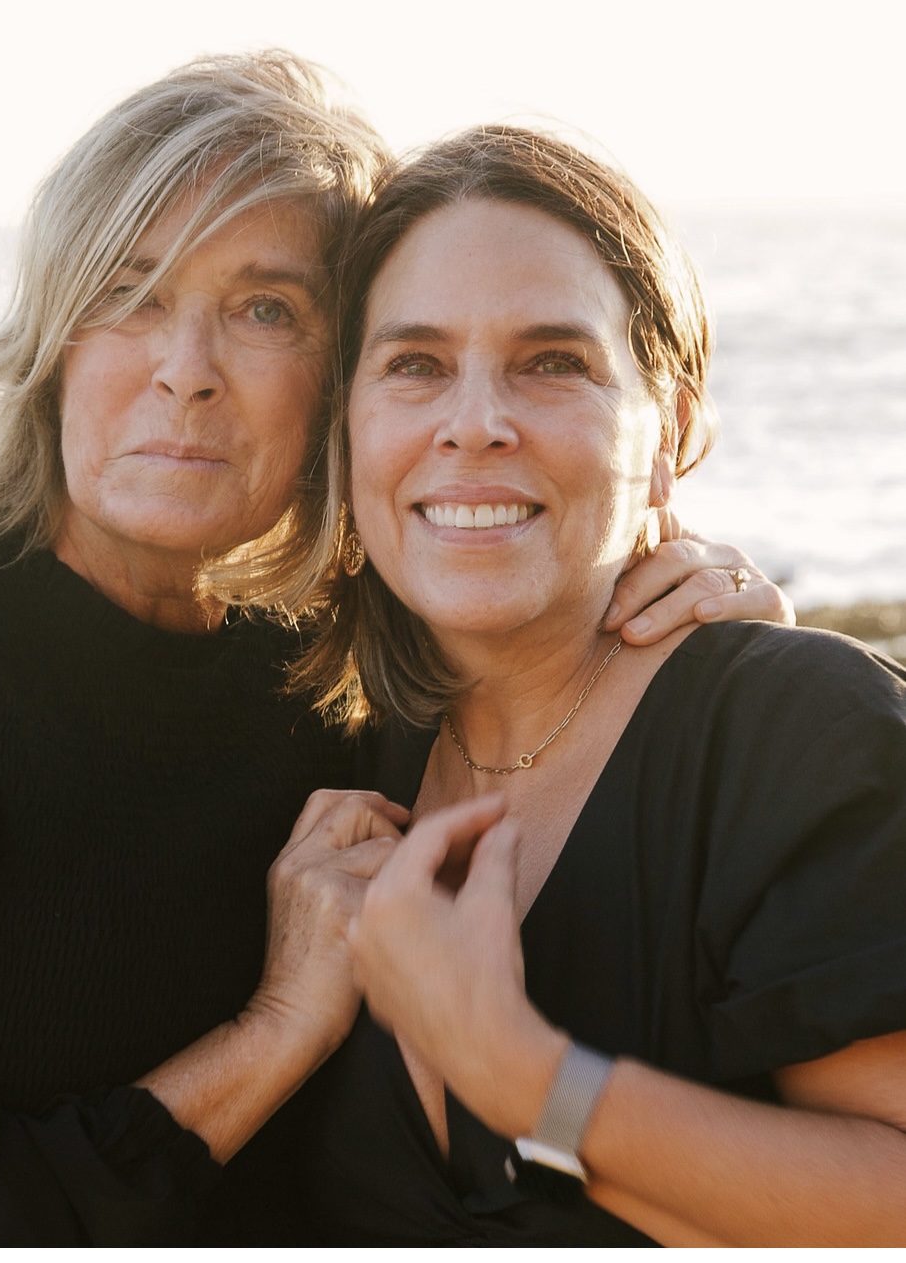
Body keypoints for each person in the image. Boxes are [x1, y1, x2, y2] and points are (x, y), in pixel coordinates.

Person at [0, 59, 788, 1247]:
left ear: (346, 384)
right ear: (54, 343)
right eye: (128, 292)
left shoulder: (339, 667)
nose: (185, 370)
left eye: (266, 310)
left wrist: (717, 648)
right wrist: (275, 1030)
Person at [268, 126, 906, 1247]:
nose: (474, 423)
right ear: (347, 426)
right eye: (415, 364)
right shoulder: (335, 747)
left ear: (670, 433)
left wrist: (522, 1076)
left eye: (553, 361)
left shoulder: (798, 740)